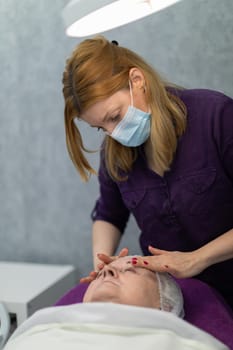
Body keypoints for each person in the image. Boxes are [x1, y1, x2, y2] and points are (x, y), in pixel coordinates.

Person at [62, 35, 233, 310]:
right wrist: (102, 262)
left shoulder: (216, 117)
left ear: (137, 80)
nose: (113, 134)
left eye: (115, 117)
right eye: (100, 128)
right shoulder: (114, 153)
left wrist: (197, 258)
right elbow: (109, 214)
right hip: (175, 299)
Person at [3, 258, 229, 350]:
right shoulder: (41, 334)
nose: (107, 270)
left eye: (130, 269)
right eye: (102, 273)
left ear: (166, 305)